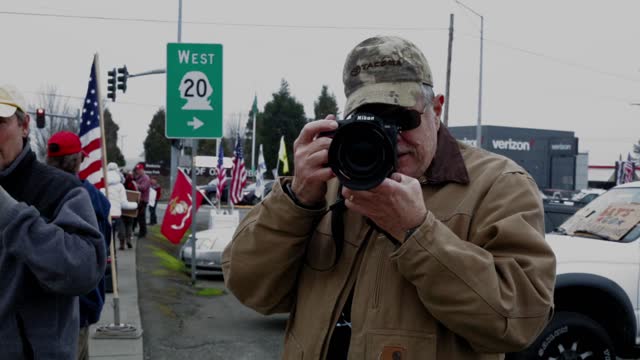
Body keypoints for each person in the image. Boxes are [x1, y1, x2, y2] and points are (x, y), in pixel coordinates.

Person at [222, 36, 556, 359]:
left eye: (402, 119)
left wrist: (416, 232)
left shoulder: (497, 185)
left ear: (437, 108)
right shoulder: (330, 180)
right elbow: (251, 289)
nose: (390, 136)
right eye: (372, 120)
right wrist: (297, 200)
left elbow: (518, 322)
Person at [0, 85, 107, 358]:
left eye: (0, 123)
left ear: (24, 126)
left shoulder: (61, 190)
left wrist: (10, 213)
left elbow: (85, 269)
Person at [46, 131, 112, 360]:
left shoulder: (36, 195)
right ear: (79, 161)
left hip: (51, 310)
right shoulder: (94, 200)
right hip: (81, 305)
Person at [105, 162, 138, 250]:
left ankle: (118, 245)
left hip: (106, 213)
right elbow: (125, 202)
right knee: (128, 225)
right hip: (118, 212)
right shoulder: (121, 186)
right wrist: (135, 205)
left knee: (112, 232)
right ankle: (126, 241)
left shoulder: (103, 184)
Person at [134, 162, 150, 238]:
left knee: (141, 217)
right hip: (139, 200)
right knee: (139, 217)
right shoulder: (139, 177)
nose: (138, 171)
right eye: (137, 170)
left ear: (142, 169)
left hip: (143, 200)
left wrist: (135, 185)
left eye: (139, 169)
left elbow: (143, 188)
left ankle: (143, 233)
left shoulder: (145, 178)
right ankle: (142, 231)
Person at [123, 170, 139, 242]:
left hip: (123, 207)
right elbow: (137, 195)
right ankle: (128, 238)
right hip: (131, 206)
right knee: (129, 224)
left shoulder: (123, 184)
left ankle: (122, 240)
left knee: (123, 223)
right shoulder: (134, 184)